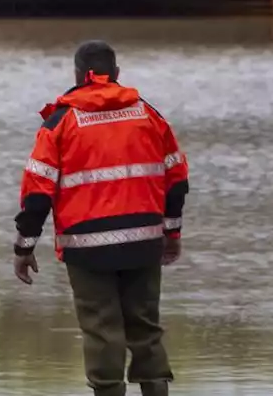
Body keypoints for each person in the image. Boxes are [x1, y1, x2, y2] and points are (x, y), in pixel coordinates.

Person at [12, 41, 189, 396]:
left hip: (87, 248)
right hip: (143, 242)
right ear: (117, 74)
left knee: (101, 329)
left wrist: (24, 246)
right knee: (145, 327)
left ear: (78, 76)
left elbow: (37, 193)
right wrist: (171, 234)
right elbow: (177, 179)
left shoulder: (60, 122)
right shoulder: (147, 114)